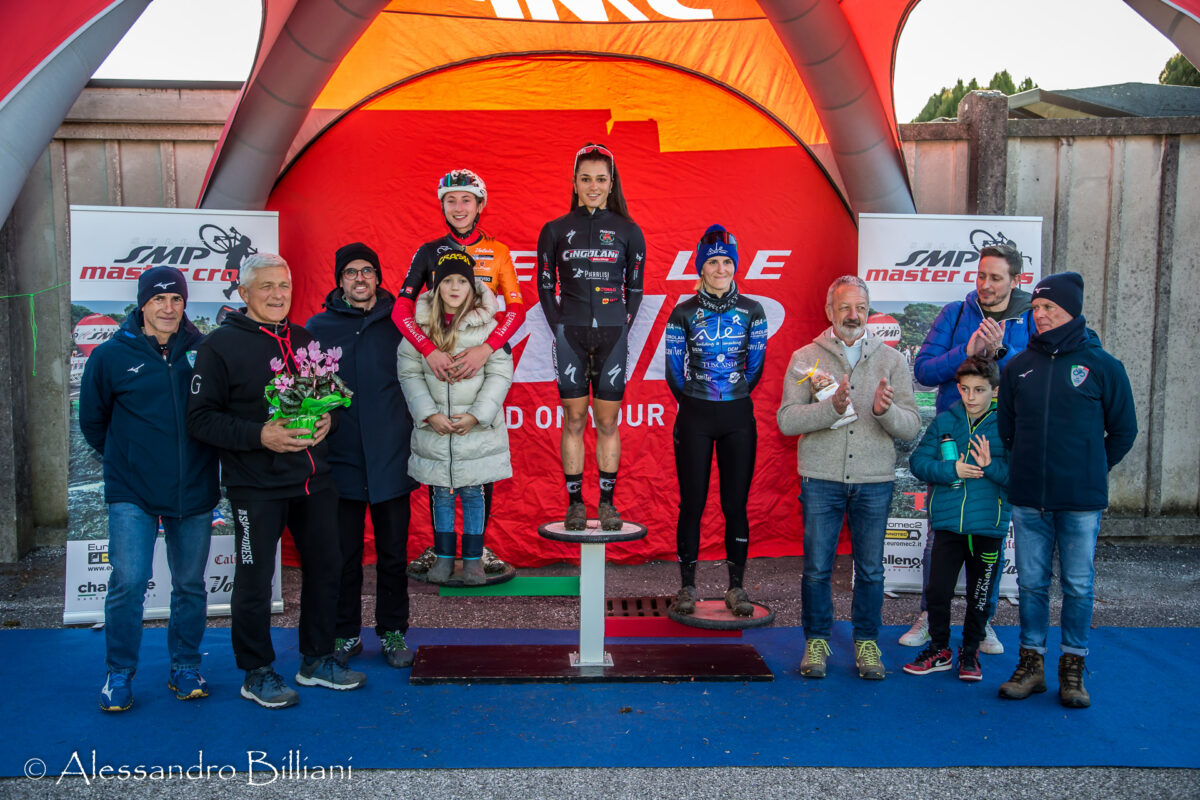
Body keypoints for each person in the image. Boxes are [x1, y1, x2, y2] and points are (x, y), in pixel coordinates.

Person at [187, 253, 365, 709]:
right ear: (243, 293)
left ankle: (317, 660)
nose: (276, 295)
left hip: (313, 482)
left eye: (283, 285)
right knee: (254, 579)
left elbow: (332, 404)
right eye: (265, 286)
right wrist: (258, 435)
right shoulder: (218, 346)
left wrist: (330, 425)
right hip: (255, 487)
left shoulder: (305, 340)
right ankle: (256, 671)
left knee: (328, 568)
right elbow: (200, 420)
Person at [79, 266, 220, 712]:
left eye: (176, 299)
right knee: (128, 583)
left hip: (193, 488)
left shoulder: (204, 351)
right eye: (158, 300)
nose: (168, 308)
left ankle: (184, 667)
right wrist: (129, 459)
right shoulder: (111, 356)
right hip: (132, 491)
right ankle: (119, 674)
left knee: (189, 586)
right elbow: (93, 422)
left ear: (184, 304)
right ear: (143, 304)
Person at [996, 272, 1136, 708]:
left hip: (1080, 501)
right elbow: (1008, 432)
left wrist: (1090, 468)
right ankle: (1031, 664)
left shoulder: (1104, 366)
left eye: (1047, 308)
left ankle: (1073, 667)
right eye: (1035, 309)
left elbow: (1124, 431)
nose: (1038, 315)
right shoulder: (1018, 367)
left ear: (1070, 310)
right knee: (1033, 585)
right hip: (1029, 501)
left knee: (1078, 585)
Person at [777, 275, 921, 680]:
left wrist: (884, 411)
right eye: (844, 307)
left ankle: (867, 642)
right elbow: (787, 420)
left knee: (872, 570)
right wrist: (832, 409)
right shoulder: (806, 357)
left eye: (860, 307)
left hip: (874, 481)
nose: (853, 315)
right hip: (820, 479)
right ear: (830, 312)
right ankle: (817, 641)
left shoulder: (892, 360)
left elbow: (910, 426)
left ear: (869, 311)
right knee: (817, 569)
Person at [902, 243, 1034, 653]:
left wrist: (1001, 354)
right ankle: (930, 614)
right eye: (981, 276)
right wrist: (968, 351)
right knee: (939, 532)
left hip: (1002, 436)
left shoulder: (1031, 317)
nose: (986, 285)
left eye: (996, 278)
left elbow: (1034, 377)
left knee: (992, 531)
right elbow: (923, 371)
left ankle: (983, 619)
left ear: (1016, 280)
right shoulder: (956, 314)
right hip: (952, 435)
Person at [392, 168, 525, 564]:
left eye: (467, 199)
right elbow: (402, 308)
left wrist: (487, 349)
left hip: (481, 362)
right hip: (437, 364)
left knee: (477, 455)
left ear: (480, 205)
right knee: (440, 461)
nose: (459, 207)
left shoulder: (498, 251)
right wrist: (427, 349)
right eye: (451, 200)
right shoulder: (427, 250)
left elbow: (515, 311)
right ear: (442, 206)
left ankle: (476, 550)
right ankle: (442, 549)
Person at [306, 242, 419, 669]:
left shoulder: (401, 322)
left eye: (367, 271)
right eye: (351, 271)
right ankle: (345, 633)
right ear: (340, 280)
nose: (359, 278)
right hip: (340, 464)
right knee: (343, 556)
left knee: (393, 555)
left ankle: (392, 633)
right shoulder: (318, 327)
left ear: (378, 277)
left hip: (392, 460)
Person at [537, 142, 646, 530]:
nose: (593, 186)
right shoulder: (554, 230)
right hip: (571, 336)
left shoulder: (629, 231)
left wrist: (622, 326)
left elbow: (635, 290)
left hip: (613, 335)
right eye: (586, 179)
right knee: (573, 418)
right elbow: (545, 288)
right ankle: (574, 505)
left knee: (607, 422)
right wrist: (561, 328)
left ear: (611, 182)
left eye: (601, 179)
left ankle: (607, 503)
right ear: (575, 183)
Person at [664, 225, 767, 617]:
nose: (720, 268)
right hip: (695, 413)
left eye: (727, 261)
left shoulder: (753, 311)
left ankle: (736, 588)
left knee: (735, 505)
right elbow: (675, 372)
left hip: (739, 415)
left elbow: (755, 369)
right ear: (701, 268)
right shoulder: (683, 312)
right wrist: (698, 400)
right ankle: (687, 586)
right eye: (713, 262)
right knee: (692, 503)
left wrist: (731, 396)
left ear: (735, 266)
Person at [398, 251, 514, 585]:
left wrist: (478, 416)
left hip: (475, 432)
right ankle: (444, 557)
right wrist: (428, 414)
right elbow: (408, 373)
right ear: (435, 286)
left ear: (472, 286)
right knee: (441, 495)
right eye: (446, 280)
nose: (453, 287)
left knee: (474, 494)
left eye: (461, 280)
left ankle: (474, 560)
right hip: (435, 432)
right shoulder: (420, 327)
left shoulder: (487, 327)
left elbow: (501, 373)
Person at [904, 356, 1010, 682]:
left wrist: (990, 466)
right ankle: (939, 649)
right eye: (965, 389)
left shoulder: (1007, 425)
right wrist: (952, 469)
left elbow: (1019, 477)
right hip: (948, 525)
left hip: (987, 527)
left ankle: (971, 652)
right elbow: (918, 463)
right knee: (938, 592)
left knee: (980, 595)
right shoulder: (945, 421)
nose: (971, 396)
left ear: (994, 390)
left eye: (979, 390)